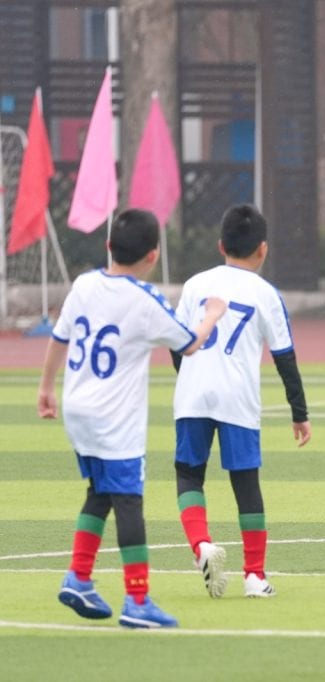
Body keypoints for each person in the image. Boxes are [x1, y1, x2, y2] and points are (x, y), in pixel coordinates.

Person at [38, 209, 225, 628]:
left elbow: (59, 337)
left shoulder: (84, 284)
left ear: (108, 246)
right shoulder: (146, 301)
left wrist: (45, 387)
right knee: (128, 502)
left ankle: (79, 577)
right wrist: (213, 312)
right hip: (114, 420)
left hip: (78, 410)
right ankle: (137, 600)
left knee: (99, 491)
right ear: (153, 255)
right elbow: (190, 344)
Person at [172, 204, 312, 599]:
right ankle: (254, 575)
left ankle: (201, 545)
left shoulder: (195, 285)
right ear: (263, 250)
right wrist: (299, 413)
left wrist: (188, 382)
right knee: (245, 483)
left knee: (188, 474)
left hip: (193, 395)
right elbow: (285, 357)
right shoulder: (266, 294)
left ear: (220, 245)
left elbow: (178, 343)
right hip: (239, 398)